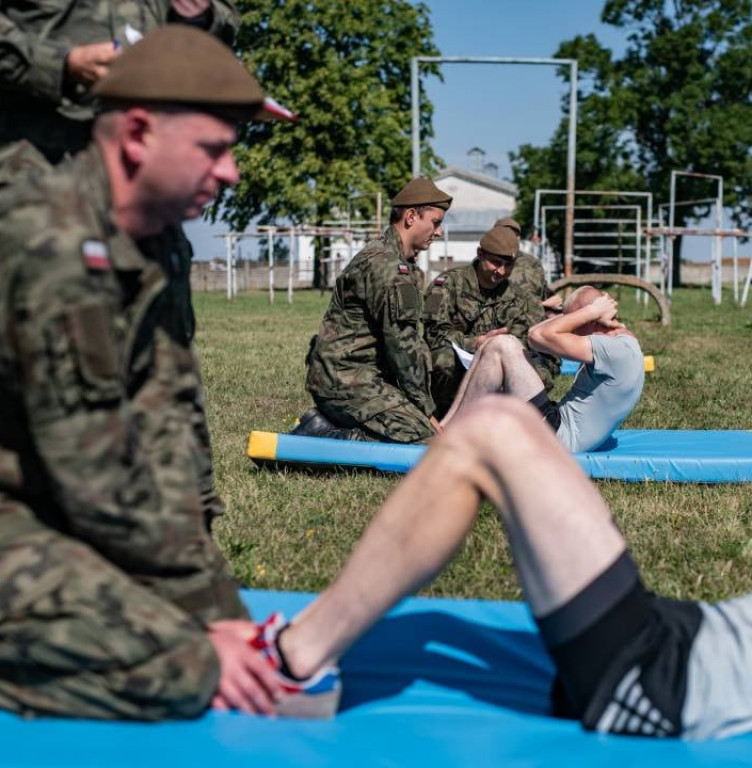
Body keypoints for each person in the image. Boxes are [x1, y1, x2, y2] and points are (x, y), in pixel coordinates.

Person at [257, 328, 752, 738]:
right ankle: (303, 653)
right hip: (682, 647)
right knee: (496, 426)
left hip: (668, 690)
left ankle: (294, 661)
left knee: (495, 429)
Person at [0, 26, 294, 721]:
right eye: (213, 150)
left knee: (198, 632)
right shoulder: (52, 243)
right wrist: (200, 618)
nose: (231, 175)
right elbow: (97, 478)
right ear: (137, 133)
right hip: (42, 507)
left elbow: (165, 429)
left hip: (38, 507)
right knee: (185, 669)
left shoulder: (144, 244)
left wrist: (216, 604)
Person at [298, 179, 451, 443]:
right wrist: (426, 411)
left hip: (367, 377)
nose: (438, 232)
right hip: (347, 382)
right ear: (411, 217)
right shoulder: (387, 266)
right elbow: (402, 346)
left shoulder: (400, 263)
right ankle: (326, 432)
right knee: (428, 442)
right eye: (435, 223)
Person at [0, 0, 238, 166]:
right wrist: (61, 64)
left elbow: (219, 28)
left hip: (140, 166)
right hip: (33, 163)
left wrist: (197, 16)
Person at [441, 285, 645, 453]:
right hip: (556, 426)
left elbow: (536, 336)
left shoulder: (615, 350)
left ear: (592, 319)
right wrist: (580, 314)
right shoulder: (621, 342)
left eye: (575, 323)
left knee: (503, 345)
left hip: (557, 440)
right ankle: (446, 427)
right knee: (491, 346)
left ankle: (455, 436)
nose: (571, 330)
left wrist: (590, 311)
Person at [423, 225, 557, 418]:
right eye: (495, 262)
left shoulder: (521, 298)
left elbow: (534, 342)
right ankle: (445, 415)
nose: (502, 271)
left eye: (509, 265)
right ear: (480, 254)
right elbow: (433, 333)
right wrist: (475, 343)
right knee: (444, 361)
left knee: (539, 370)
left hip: (502, 364)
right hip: (459, 364)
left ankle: (509, 419)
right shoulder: (449, 285)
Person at [496, 216, 563, 314]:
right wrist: (542, 304)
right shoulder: (485, 262)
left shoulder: (532, 262)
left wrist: (554, 300)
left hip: (534, 321)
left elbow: (544, 292)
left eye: (516, 234)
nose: (512, 238)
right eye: (507, 234)